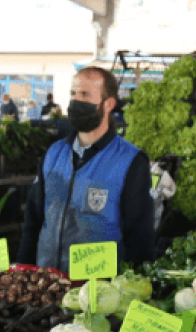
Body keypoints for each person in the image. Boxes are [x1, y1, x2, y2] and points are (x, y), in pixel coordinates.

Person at [17, 67, 155, 271]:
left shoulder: (131, 161)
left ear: (108, 104)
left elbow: (139, 238)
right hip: (47, 286)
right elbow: (33, 220)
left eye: (85, 94)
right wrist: (23, 270)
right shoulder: (53, 154)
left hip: (98, 292)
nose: (76, 101)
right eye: (73, 94)